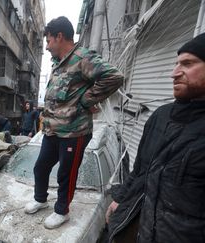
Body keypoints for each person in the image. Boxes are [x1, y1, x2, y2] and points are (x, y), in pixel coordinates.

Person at [24, 16, 123, 229]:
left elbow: (114, 77)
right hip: (52, 130)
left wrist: (87, 100)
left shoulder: (82, 58)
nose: (48, 47)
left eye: (49, 41)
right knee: (41, 167)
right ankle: (40, 199)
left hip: (74, 132)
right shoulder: (59, 62)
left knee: (65, 174)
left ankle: (62, 211)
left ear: (60, 37)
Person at [106, 33, 205, 243]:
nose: (174, 73)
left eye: (187, 64)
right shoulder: (160, 116)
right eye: (176, 64)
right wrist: (120, 199)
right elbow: (140, 170)